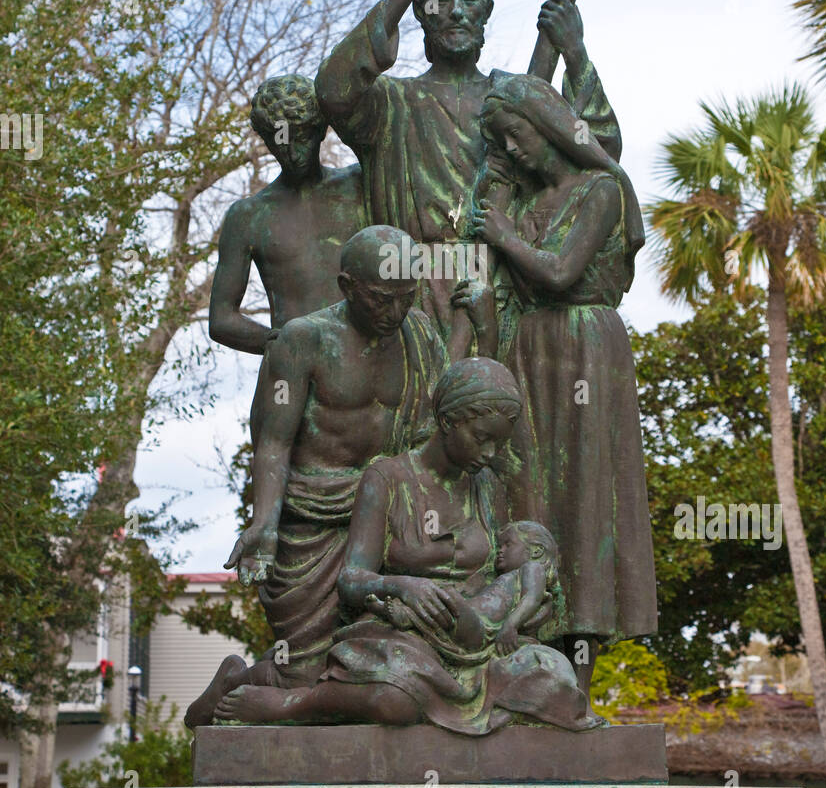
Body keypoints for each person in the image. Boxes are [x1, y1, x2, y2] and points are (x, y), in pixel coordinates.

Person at [213, 358, 588, 733]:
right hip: (403, 631)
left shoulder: (486, 485)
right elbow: (352, 579)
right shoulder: (386, 478)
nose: (490, 452)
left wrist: (526, 608)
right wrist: (404, 586)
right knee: (397, 701)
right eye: (481, 437)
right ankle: (288, 705)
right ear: (447, 421)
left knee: (556, 680)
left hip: (476, 640)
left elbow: (502, 572)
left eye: (499, 442)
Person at [184, 225, 443, 727]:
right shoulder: (302, 341)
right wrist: (264, 524)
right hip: (312, 520)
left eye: (406, 298)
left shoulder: (420, 337)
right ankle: (233, 688)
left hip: (385, 520)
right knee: (301, 675)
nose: (394, 313)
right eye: (381, 299)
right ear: (347, 287)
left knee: (372, 665)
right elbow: (274, 441)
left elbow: (431, 432)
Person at [315, 0, 621, 339]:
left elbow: (599, 153)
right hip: (407, 295)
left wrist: (575, 54)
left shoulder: (518, 98)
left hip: (503, 289)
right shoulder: (391, 102)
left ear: (487, 11)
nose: (457, 10)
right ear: (422, 11)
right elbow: (333, 90)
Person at [469, 73, 657, 720]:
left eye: (517, 135)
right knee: (527, 501)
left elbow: (558, 270)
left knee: (584, 514)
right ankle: (528, 670)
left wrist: (501, 234)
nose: (515, 151)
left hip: (584, 347)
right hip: (529, 353)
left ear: (545, 125)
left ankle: (577, 687)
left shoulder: (600, 189)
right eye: (504, 142)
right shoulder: (521, 201)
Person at [208, 74, 364, 355]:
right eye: (280, 141)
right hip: (297, 371)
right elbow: (221, 319)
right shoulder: (247, 216)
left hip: (372, 360)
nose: (293, 153)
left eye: (302, 138)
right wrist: (281, 345)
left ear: (320, 130)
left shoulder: (360, 185)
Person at [367, 519, 562, 657]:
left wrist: (510, 626)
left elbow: (532, 598)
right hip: (473, 618)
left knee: (449, 598)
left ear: (536, 551)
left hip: (484, 627)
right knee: (443, 604)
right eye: (500, 546)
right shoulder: (511, 576)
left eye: (508, 545)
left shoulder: (533, 569)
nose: (500, 551)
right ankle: (408, 616)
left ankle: (409, 615)